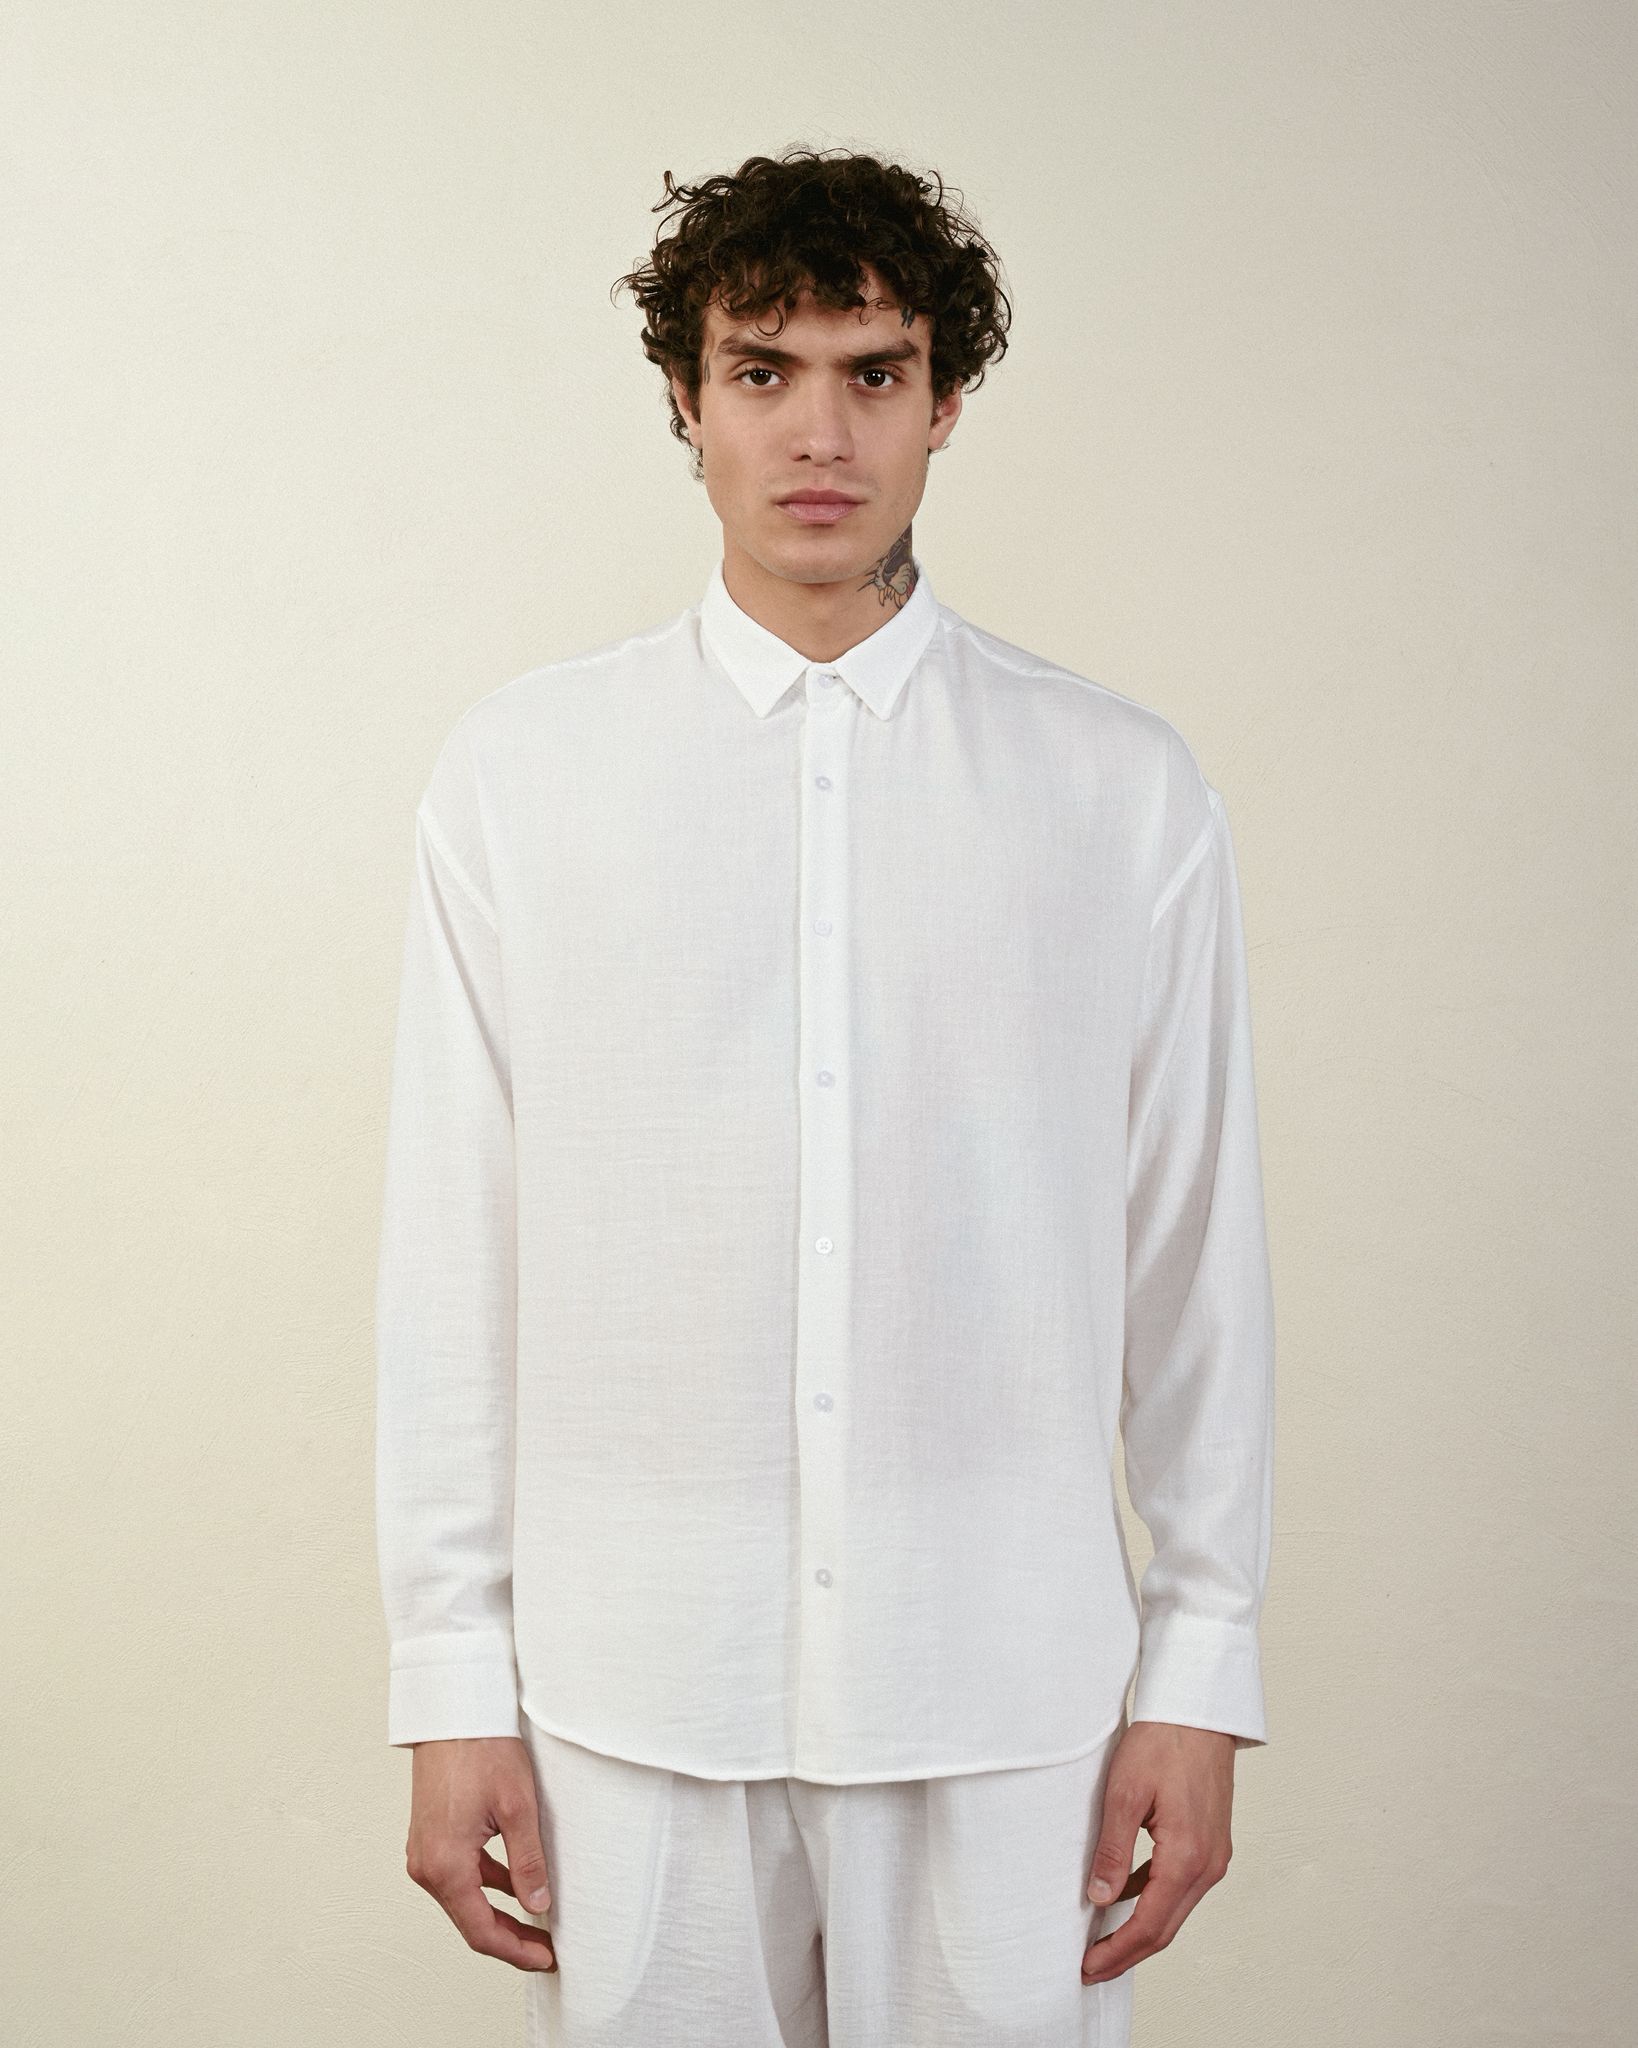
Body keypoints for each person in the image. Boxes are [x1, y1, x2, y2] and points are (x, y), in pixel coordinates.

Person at [374, 145, 1276, 2048]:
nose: (819, 433)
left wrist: (1199, 1671)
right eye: (762, 369)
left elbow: (1192, 1258)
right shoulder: (522, 776)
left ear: (944, 403)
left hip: (1007, 1690)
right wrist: (449, 1682)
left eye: (875, 373)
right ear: (684, 400)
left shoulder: (1116, 789)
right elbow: (454, 1253)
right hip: (632, 1692)